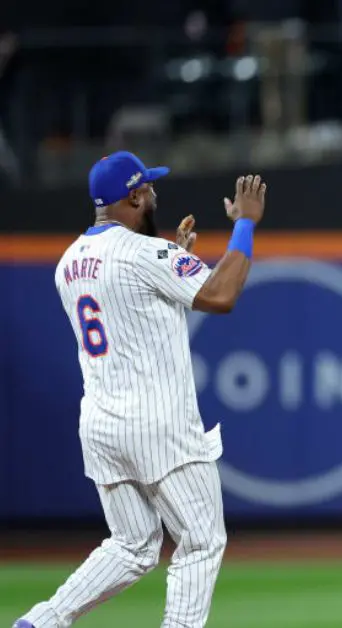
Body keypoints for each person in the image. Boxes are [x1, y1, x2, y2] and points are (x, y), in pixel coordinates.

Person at [14, 152, 266, 628]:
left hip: (103, 425)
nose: (154, 194)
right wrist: (245, 226)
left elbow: (137, 303)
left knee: (133, 545)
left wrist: (178, 256)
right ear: (132, 196)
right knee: (201, 542)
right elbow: (220, 295)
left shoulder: (67, 262)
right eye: (148, 188)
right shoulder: (145, 254)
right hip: (159, 424)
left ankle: (42, 621)